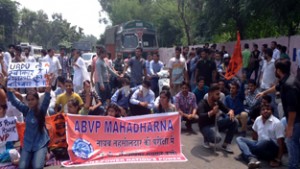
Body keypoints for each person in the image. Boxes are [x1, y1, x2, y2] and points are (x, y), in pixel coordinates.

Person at [256, 58, 300, 169]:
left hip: (296, 118)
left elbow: (292, 109)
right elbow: (276, 88)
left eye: (275, 69)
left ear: (279, 70)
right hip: (290, 117)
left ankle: (293, 165)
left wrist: (289, 127)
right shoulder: (286, 80)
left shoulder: (289, 85)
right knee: (281, 126)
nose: (275, 71)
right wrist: (263, 93)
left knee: (291, 141)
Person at [7, 75, 52, 169]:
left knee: (37, 167)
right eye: (29, 100)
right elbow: (15, 102)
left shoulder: (41, 110)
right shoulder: (26, 110)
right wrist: (8, 89)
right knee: (22, 167)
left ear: (37, 100)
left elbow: (47, 98)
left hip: (40, 143)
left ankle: (45, 154)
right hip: (27, 144)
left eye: (33, 99)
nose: (30, 102)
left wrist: (48, 86)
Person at [235, 104, 285, 169]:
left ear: (271, 112)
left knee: (266, 140)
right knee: (239, 139)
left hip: (271, 150)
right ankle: (251, 158)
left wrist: (278, 160)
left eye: (268, 109)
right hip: (259, 146)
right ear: (260, 112)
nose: (265, 111)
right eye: (263, 109)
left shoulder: (277, 123)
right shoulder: (258, 119)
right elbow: (254, 135)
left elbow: (281, 143)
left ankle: (246, 153)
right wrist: (255, 144)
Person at [197, 84, 237, 153]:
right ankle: (206, 138)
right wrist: (212, 112)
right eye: (217, 94)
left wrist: (231, 111)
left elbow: (226, 109)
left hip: (214, 124)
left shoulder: (217, 102)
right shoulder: (202, 103)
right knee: (217, 138)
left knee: (234, 121)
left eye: (219, 94)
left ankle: (226, 144)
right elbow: (200, 116)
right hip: (205, 126)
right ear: (210, 94)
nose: (219, 96)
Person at [260, 48, 278, 118]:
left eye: (264, 53)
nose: (263, 55)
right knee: (263, 103)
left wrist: (275, 84)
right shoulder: (264, 62)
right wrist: (261, 80)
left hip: (270, 88)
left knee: (272, 103)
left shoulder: (274, 63)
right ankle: (264, 117)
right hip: (263, 86)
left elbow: (278, 75)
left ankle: (276, 118)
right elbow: (263, 71)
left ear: (267, 54)